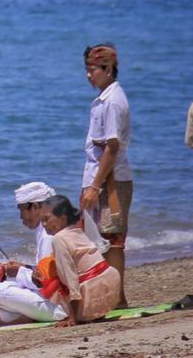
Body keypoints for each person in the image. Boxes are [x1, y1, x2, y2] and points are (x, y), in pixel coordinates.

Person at [79, 44, 132, 308]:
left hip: (110, 180)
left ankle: (118, 299)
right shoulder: (104, 97)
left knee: (113, 240)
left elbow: (111, 147)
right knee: (98, 238)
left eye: (93, 70)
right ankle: (110, 296)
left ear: (108, 69)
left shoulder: (112, 100)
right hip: (98, 178)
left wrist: (95, 186)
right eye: (87, 70)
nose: (89, 75)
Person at [0, 182, 67, 324]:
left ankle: (28, 317)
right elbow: (51, 270)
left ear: (35, 207)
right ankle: (25, 316)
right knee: (8, 284)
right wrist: (26, 268)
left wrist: (19, 271)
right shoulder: (52, 225)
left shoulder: (48, 233)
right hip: (63, 299)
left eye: (22, 210)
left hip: (62, 307)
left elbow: (43, 281)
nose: (21, 217)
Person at [41, 195, 121, 326]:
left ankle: (85, 312)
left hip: (93, 289)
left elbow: (70, 278)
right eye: (42, 221)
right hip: (110, 281)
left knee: (56, 283)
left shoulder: (58, 239)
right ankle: (94, 312)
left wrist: (72, 318)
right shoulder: (77, 230)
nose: (44, 224)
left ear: (63, 218)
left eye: (47, 219)